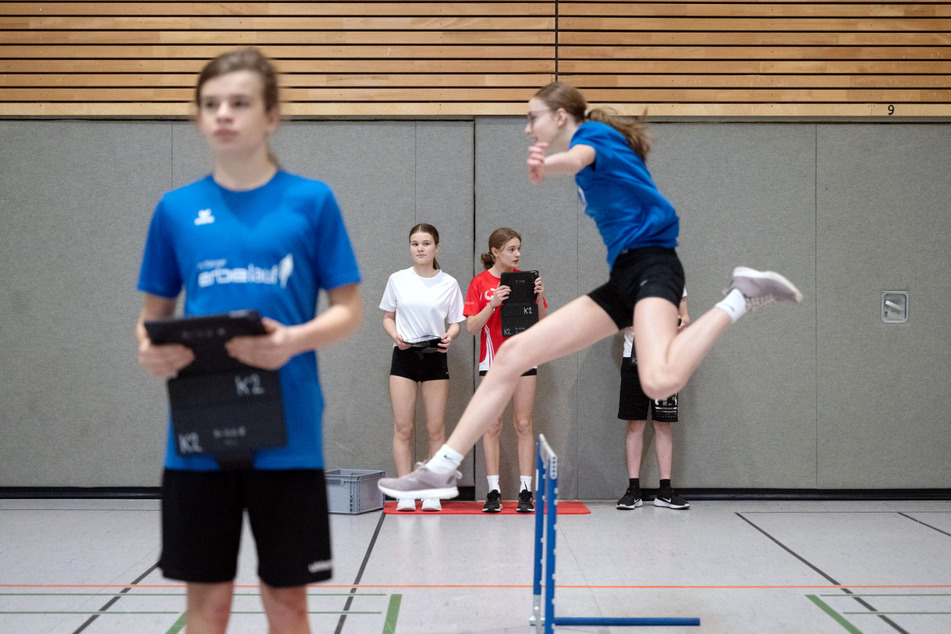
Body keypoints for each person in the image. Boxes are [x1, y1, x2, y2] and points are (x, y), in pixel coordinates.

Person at [378, 80, 802, 502]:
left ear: (560, 117)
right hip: (625, 276)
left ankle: (739, 298)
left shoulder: (592, 136)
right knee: (511, 354)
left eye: (533, 118)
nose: (528, 128)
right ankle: (441, 468)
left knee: (658, 380)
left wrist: (552, 165)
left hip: (655, 266)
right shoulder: (590, 154)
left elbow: (583, 153)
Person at [135, 47, 362, 633]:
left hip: (289, 433)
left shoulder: (311, 202)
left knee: (287, 603)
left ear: (272, 115)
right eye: (210, 104)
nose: (223, 115)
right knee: (206, 604)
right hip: (198, 434)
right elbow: (152, 315)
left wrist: (293, 340)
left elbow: (348, 310)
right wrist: (148, 349)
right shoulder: (175, 210)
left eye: (239, 102)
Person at [380, 223, 465, 512]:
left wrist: (450, 336)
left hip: (434, 356)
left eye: (426, 243)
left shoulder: (449, 283)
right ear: (410, 247)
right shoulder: (397, 279)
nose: (420, 248)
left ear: (436, 247)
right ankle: (405, 491)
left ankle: (431, 491)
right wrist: (395, 335)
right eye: (415, 243)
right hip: (403, 356)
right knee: (403, 427)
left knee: (435, 428)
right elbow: (387, 317)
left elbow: (456, 323)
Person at [464, 228, 547, 513]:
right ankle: (494, 491)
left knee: (523, 424)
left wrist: (538, 298)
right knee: (493, 425)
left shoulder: (526, 280)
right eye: (511, 249)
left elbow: (542, 324)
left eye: (519, 248)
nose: (517, 254)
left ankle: (526, 491)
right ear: (495, 251)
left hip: (524, 359)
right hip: (493, 361)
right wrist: (493, 303)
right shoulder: (480, 283)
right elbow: (472, 327)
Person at [617, 291, 691, 511]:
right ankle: (633, 490)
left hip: (666, 358)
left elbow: (685, 317)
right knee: (635, 423)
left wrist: (679, 323)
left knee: (663, 422)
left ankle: (665, 491)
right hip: (634, 359)